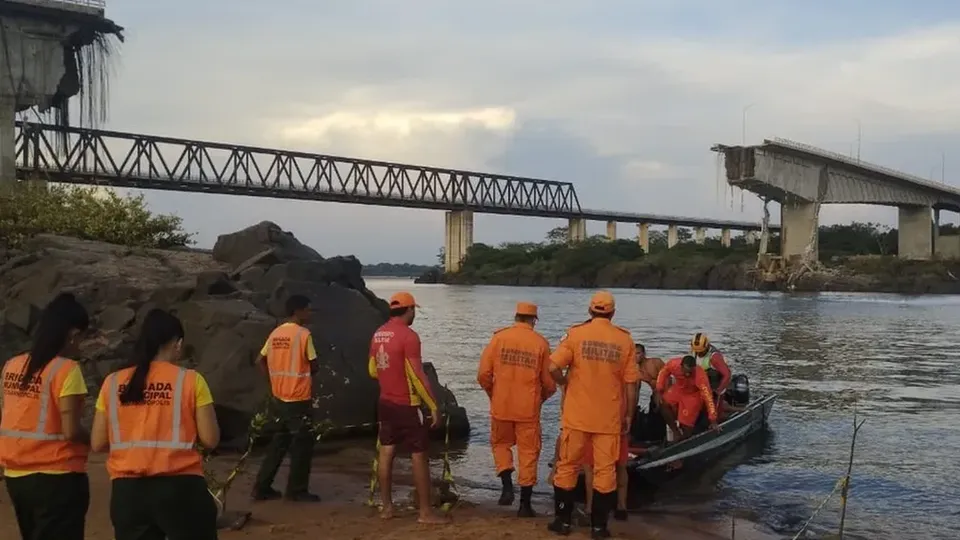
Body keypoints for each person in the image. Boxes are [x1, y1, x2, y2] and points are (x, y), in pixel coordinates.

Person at [91, 309, 221, 540]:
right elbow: (210, 439)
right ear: (177, 344)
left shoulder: (112, 383)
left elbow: (98, 442)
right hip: (181, 488)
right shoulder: (191, 380)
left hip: (127, 492)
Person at [547, 291, 639, 539]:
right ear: (612, 313)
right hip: (608, 419)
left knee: (567, 466)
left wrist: (564, 381)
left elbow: (552, 366)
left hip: (576, 416)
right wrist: (629, 415)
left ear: (590, 311)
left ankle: (562, 522)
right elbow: (631, 384)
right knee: (605, 471)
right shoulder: (625, 340)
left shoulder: (576, 334)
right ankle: (599, 528)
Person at [0, 293, 92, 540]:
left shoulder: (12, 366)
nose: (80, 345)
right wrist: (96, 439)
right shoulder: (66, 370)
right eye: (81, 338)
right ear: (73, 334)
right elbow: (71, 430)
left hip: (16, 477)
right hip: (57, 477)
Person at [367, 291, 448, 524]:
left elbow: (372, 369)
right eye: (414, 310)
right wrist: (433, 406)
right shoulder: (409, 336)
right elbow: (417, 375)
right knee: (419, 455)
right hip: (407, 404)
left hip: (385, 402)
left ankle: (387, 508)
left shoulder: (379, 333)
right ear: (409, 310)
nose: (414, 314)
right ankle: (425, 513)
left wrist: (389, 376)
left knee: (386, 452)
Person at [477, 301, 556, 517]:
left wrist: (493, 394)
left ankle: (506, 486)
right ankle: (525, 505)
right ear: (533, 320)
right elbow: (549, 383)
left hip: (501, 405)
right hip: (528, 409)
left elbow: (483, 374)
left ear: (516, 317)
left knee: (500, 444)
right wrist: (541, 398)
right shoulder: (541, 343)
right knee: (528, 453)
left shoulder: (499, 338)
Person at [251, 294, 321, 502]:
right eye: (308, 309)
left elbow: (259, 361)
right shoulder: (303, 335)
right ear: (297, 311)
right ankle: (297, 490)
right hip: (298, 398)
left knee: (279, 442)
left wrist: (273, 381)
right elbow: (314, 365)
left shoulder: (276, 333)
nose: (310, 313)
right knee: (302, 444)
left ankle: (262, 486)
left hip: (279, 397)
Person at [654, 355, 719, 441]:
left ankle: (684, 438)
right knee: (663, 402)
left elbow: (708, 397)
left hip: (693, 395)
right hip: (678, 389)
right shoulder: (673, 364)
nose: (687, 374)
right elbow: (663, 372)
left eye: (690, 372)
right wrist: (659, 389)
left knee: (686, 426)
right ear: (681, 366)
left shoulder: (700, 376)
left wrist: (713, 420)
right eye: (686, 372)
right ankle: (675, 432)